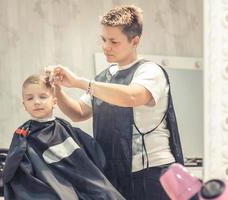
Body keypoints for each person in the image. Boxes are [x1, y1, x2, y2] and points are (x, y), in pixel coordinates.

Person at [49, 5, 184, 200]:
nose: (106, 46)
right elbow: (78, 112)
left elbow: (131, 97)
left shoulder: (149, 71)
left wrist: (79, 82)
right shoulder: (103, 78)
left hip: (152, 174)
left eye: (113, 41)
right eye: (103, 39)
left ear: (135, 41)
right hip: (115, 174)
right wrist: (58, 89)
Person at [2, 74, 125, 200]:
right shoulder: (23, 135)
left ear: (54, 101)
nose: (37, 102)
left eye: (43, 97)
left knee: (107, 193)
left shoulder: (65, 129)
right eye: (30, 99)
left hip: (83, 183)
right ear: (24, 105)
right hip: (50, 190)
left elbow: (90, 160)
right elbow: (18, 175)